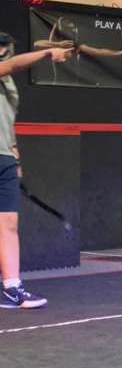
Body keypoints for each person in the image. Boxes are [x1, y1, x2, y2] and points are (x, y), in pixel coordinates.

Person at [0, 31, 72, 309]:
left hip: (4, 159)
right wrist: (46, 53)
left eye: (7, 48)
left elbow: (7, 122)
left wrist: (14, 157)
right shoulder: (8, 68)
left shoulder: (9, 85)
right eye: (3, 48)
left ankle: (12, 289)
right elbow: (16, 64)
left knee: (8, 224)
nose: (6, 52)